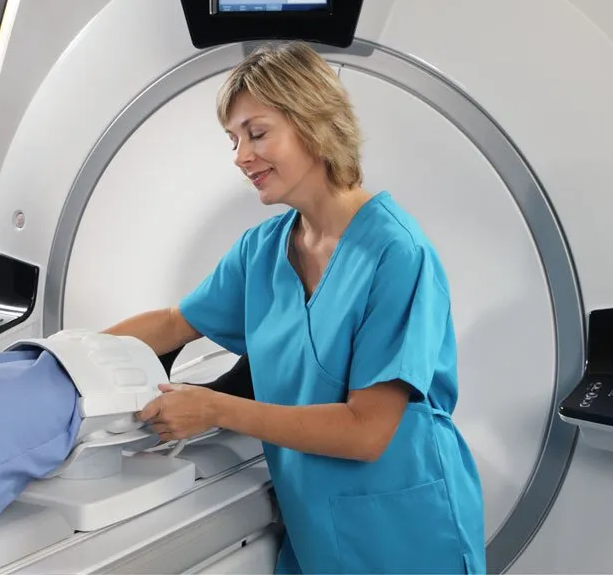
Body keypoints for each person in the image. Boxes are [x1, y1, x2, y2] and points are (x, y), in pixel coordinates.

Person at [107, 40, 486, 574]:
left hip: (407, 532)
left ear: (315, 123)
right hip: (315, 530)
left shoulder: (397, 253)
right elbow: (175, 323)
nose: (241, 156)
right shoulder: (262, 250)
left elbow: (367, 430)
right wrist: (71, 360)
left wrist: (215, 408)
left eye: (257, 133)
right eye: (234, 140)